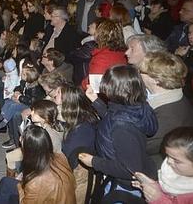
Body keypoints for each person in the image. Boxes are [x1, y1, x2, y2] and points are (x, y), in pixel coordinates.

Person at [79, 65, 158, 200]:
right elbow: (115, 117)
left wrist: (94, 162)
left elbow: (129, 170)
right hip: (123, 178)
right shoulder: (137, 106)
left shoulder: (122, 128)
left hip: (124, 186)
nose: (104, 90)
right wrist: (96, 101)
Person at [0, 125, 76, 204]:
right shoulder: (60, 156)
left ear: (30, 150)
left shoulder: (35, 183)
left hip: (40, 194)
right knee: (6, 183)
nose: (20, 139)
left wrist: (20, 184)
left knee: (6, 186)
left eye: (23, 141)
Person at [138, 52, 193, 168]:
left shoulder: (169, 116)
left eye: (141, 71)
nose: (138, 73)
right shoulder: (164, 95)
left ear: (156, 79)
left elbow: (140, 146)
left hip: (152, 167)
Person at [59, 84, 99, 204]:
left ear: (68, 107)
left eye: (59, 103)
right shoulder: (82, 119)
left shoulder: (81, 132)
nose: (57, 106)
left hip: (77, 180)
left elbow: (68, 163)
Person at [132, 127, 193, 204]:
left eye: (176, 160)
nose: (169, 161)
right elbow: (168, 191)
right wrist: (153, 185)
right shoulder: (176, 168)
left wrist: (158, 199)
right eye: (168, 156)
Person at [81, 19, 127, 89]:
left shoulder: (102, 57)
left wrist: (81, 86)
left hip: (101, 94)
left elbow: (93, 85)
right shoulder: (122, 53)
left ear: (101, 34)